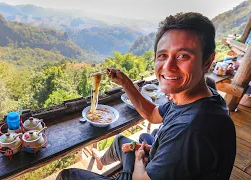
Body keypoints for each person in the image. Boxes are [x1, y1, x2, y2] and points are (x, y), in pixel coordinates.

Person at [57, 12, 236, 180]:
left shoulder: (192, 131)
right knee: (121, 141)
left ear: (207, 61)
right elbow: (152, 114)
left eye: (183, 56)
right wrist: (125, 82)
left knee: (68, 175)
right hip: (155, 164)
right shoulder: (197, 97)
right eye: (163, 55)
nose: (168, 66)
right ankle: (101, 162)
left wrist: (139, 158)